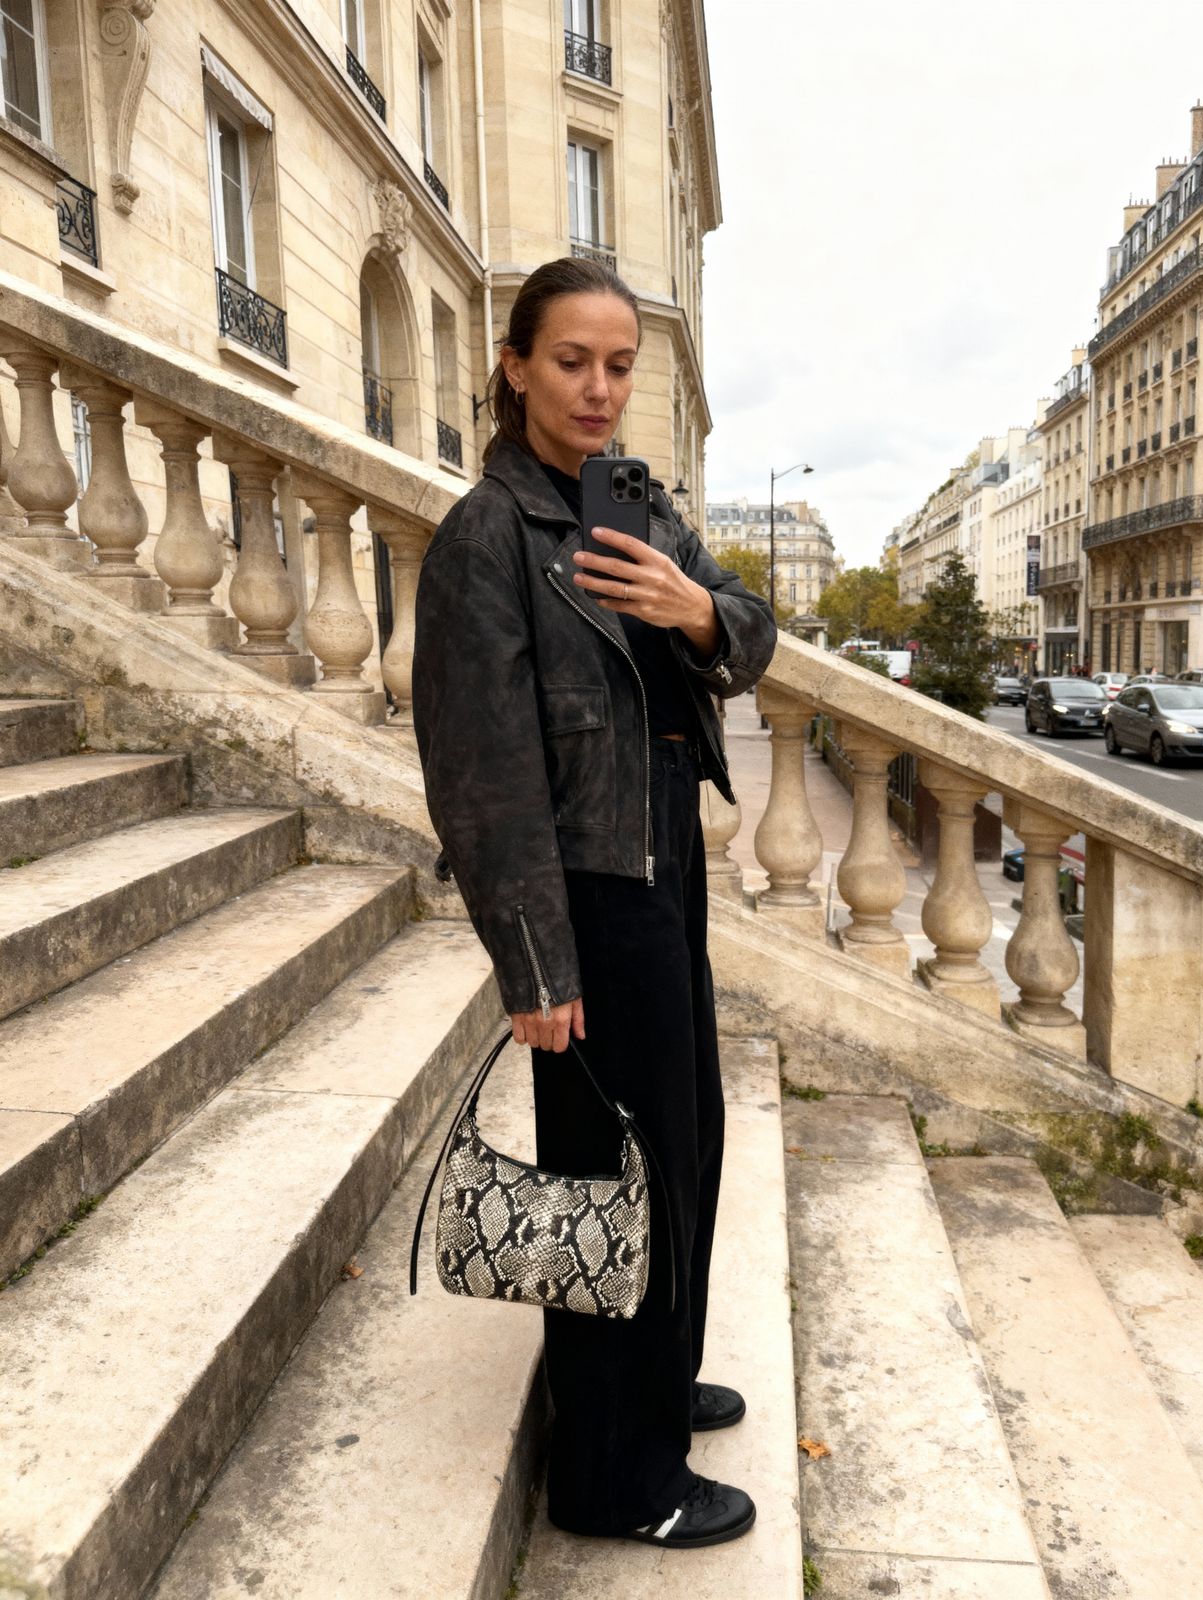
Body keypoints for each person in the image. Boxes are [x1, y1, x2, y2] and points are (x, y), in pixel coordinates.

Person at [411, 257, 777, 1550]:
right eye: (572, 361)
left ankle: (659, 1383)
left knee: (687, 1142)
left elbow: (752, 633)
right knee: (610, 1166)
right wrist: (533, 967)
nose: (599, 387)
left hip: (664, 856)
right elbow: (481, 774)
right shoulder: (488, 538)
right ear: (515, 366)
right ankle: (619, 1479)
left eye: (619, 365)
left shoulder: (638, 506)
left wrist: (694, 612)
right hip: (583, 888)